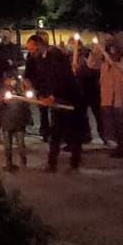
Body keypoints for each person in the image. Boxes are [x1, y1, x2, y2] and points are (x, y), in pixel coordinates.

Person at [37, 40, 92, 172]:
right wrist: (45, 95)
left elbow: (63, 83)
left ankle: (73, 164)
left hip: (72, 103)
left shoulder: (61, 67)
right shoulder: (51, 66)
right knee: (56, 134)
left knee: (73, 134)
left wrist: (52, 96)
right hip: (60, 104)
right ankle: (52, 163)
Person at [99, 40, 123, 159]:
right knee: (114, 124)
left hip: (122, 95)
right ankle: (119, 147)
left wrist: (116, 64)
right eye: (110, 48)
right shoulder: (105, 60)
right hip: (109, 96)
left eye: (114, 48)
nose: (112, 51)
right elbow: (92, 65)